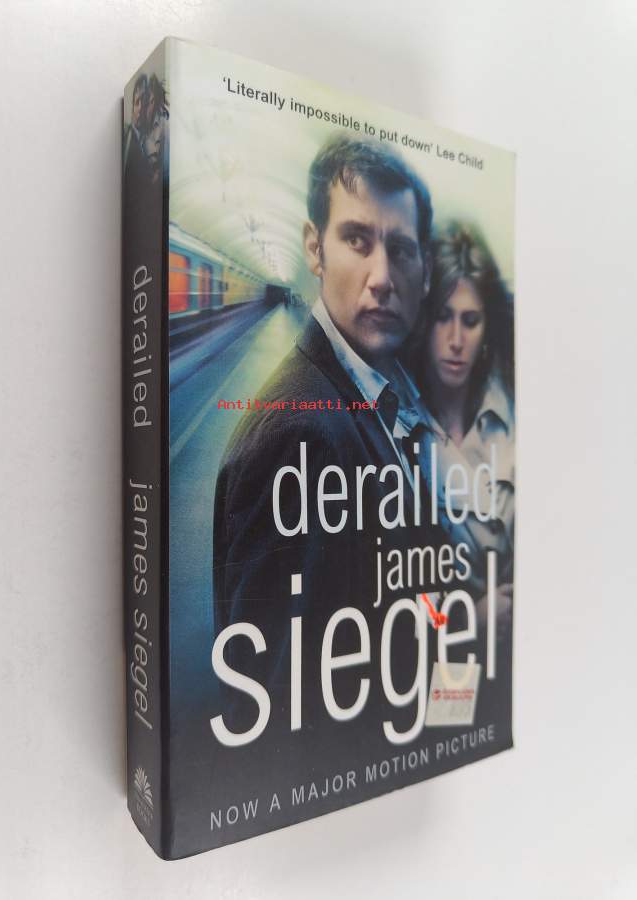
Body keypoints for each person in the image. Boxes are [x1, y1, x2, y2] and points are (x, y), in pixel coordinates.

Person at [212, 135, 451, 742]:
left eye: (401, 250)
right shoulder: (301, 435)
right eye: (357, 240)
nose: (382, 278)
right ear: (314, 248)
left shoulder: (380, 392)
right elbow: (273, 714)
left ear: (424, 270)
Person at [410, 223, 515, 611]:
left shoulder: (511, 414)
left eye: (470, 321)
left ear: (487, 329)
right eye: (443, 317)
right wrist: (467, 619)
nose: (456, 340)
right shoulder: (401, 426)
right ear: (424, 322)